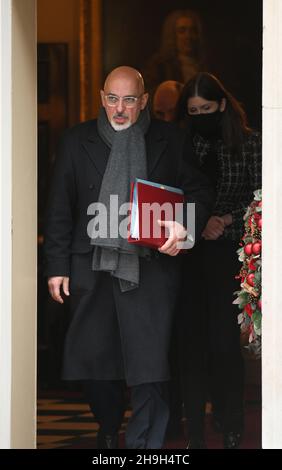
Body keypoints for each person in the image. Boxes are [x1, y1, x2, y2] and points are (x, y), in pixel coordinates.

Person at [44, 66, 212, 449]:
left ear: (145, 100)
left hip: (152, 265)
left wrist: (184, 226)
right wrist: (56, 266)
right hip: (91, 263)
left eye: (129, 100)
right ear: (103, 98)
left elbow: (200, 192)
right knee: (95, 361)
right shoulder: (76, 140)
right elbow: (59, 209)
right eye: (113, 99)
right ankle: (107, 427)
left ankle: (144, 447)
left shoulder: (171, 139)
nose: (120, 109)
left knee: (149, 362)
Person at [177, 72, 262, 449]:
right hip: (187, 254)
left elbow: (261, 199)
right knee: (190, 343)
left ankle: (231, 425)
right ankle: (193, 428)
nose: (200, 116)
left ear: (222, 105)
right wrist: (198, 221)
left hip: (228, 252)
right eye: (193, 110)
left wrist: (223, 220)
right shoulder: (181, 143)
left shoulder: (248, 143)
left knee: (224, 343)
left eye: (206, 109)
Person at [143, 9, 205, 96]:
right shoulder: (160, 65)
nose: (188, 36)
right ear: (172, 35)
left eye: (193, 30)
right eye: (182, 31)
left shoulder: (205, 65)